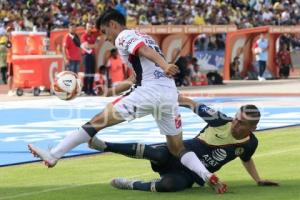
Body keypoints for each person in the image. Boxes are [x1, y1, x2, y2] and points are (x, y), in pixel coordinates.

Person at [28, 9, 224, 192]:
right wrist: (109, 90)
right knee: (177, 148)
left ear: (113, 24)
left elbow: (144, 51)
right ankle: (207, 175)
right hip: (169, 94)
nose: (107, 38)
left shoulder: (124, 35)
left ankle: (54, 155)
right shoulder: (142, 36)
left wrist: (165, 65)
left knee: (96, 122)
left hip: (149, 92)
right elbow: (134, 78)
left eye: (105, 32)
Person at [88, 95, 279, 193]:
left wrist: (258, 179)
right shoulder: (220, 120)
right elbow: (189, 102)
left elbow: (246, 159)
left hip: (192, 175)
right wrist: (167, 96)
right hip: (178, 152)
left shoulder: (250, 143)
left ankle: (131, 184)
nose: (235, 123)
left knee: (169, 186)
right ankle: (104, 145)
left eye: (241, 123)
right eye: (236, 118)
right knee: (158, 154)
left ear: (252, 128)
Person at [81, 22, 98, 95]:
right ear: (86, 27)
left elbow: (96, 45)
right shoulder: (83, 36)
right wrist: (93, 45)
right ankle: (86, 89)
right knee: (87, 73)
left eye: (91, 27)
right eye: (88, 27)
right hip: (86, 56)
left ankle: (91, 89)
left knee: (92, 73)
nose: (90, 28)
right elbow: (87, 46)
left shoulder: (93, 35)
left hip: (92, 55)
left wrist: (92, 45)